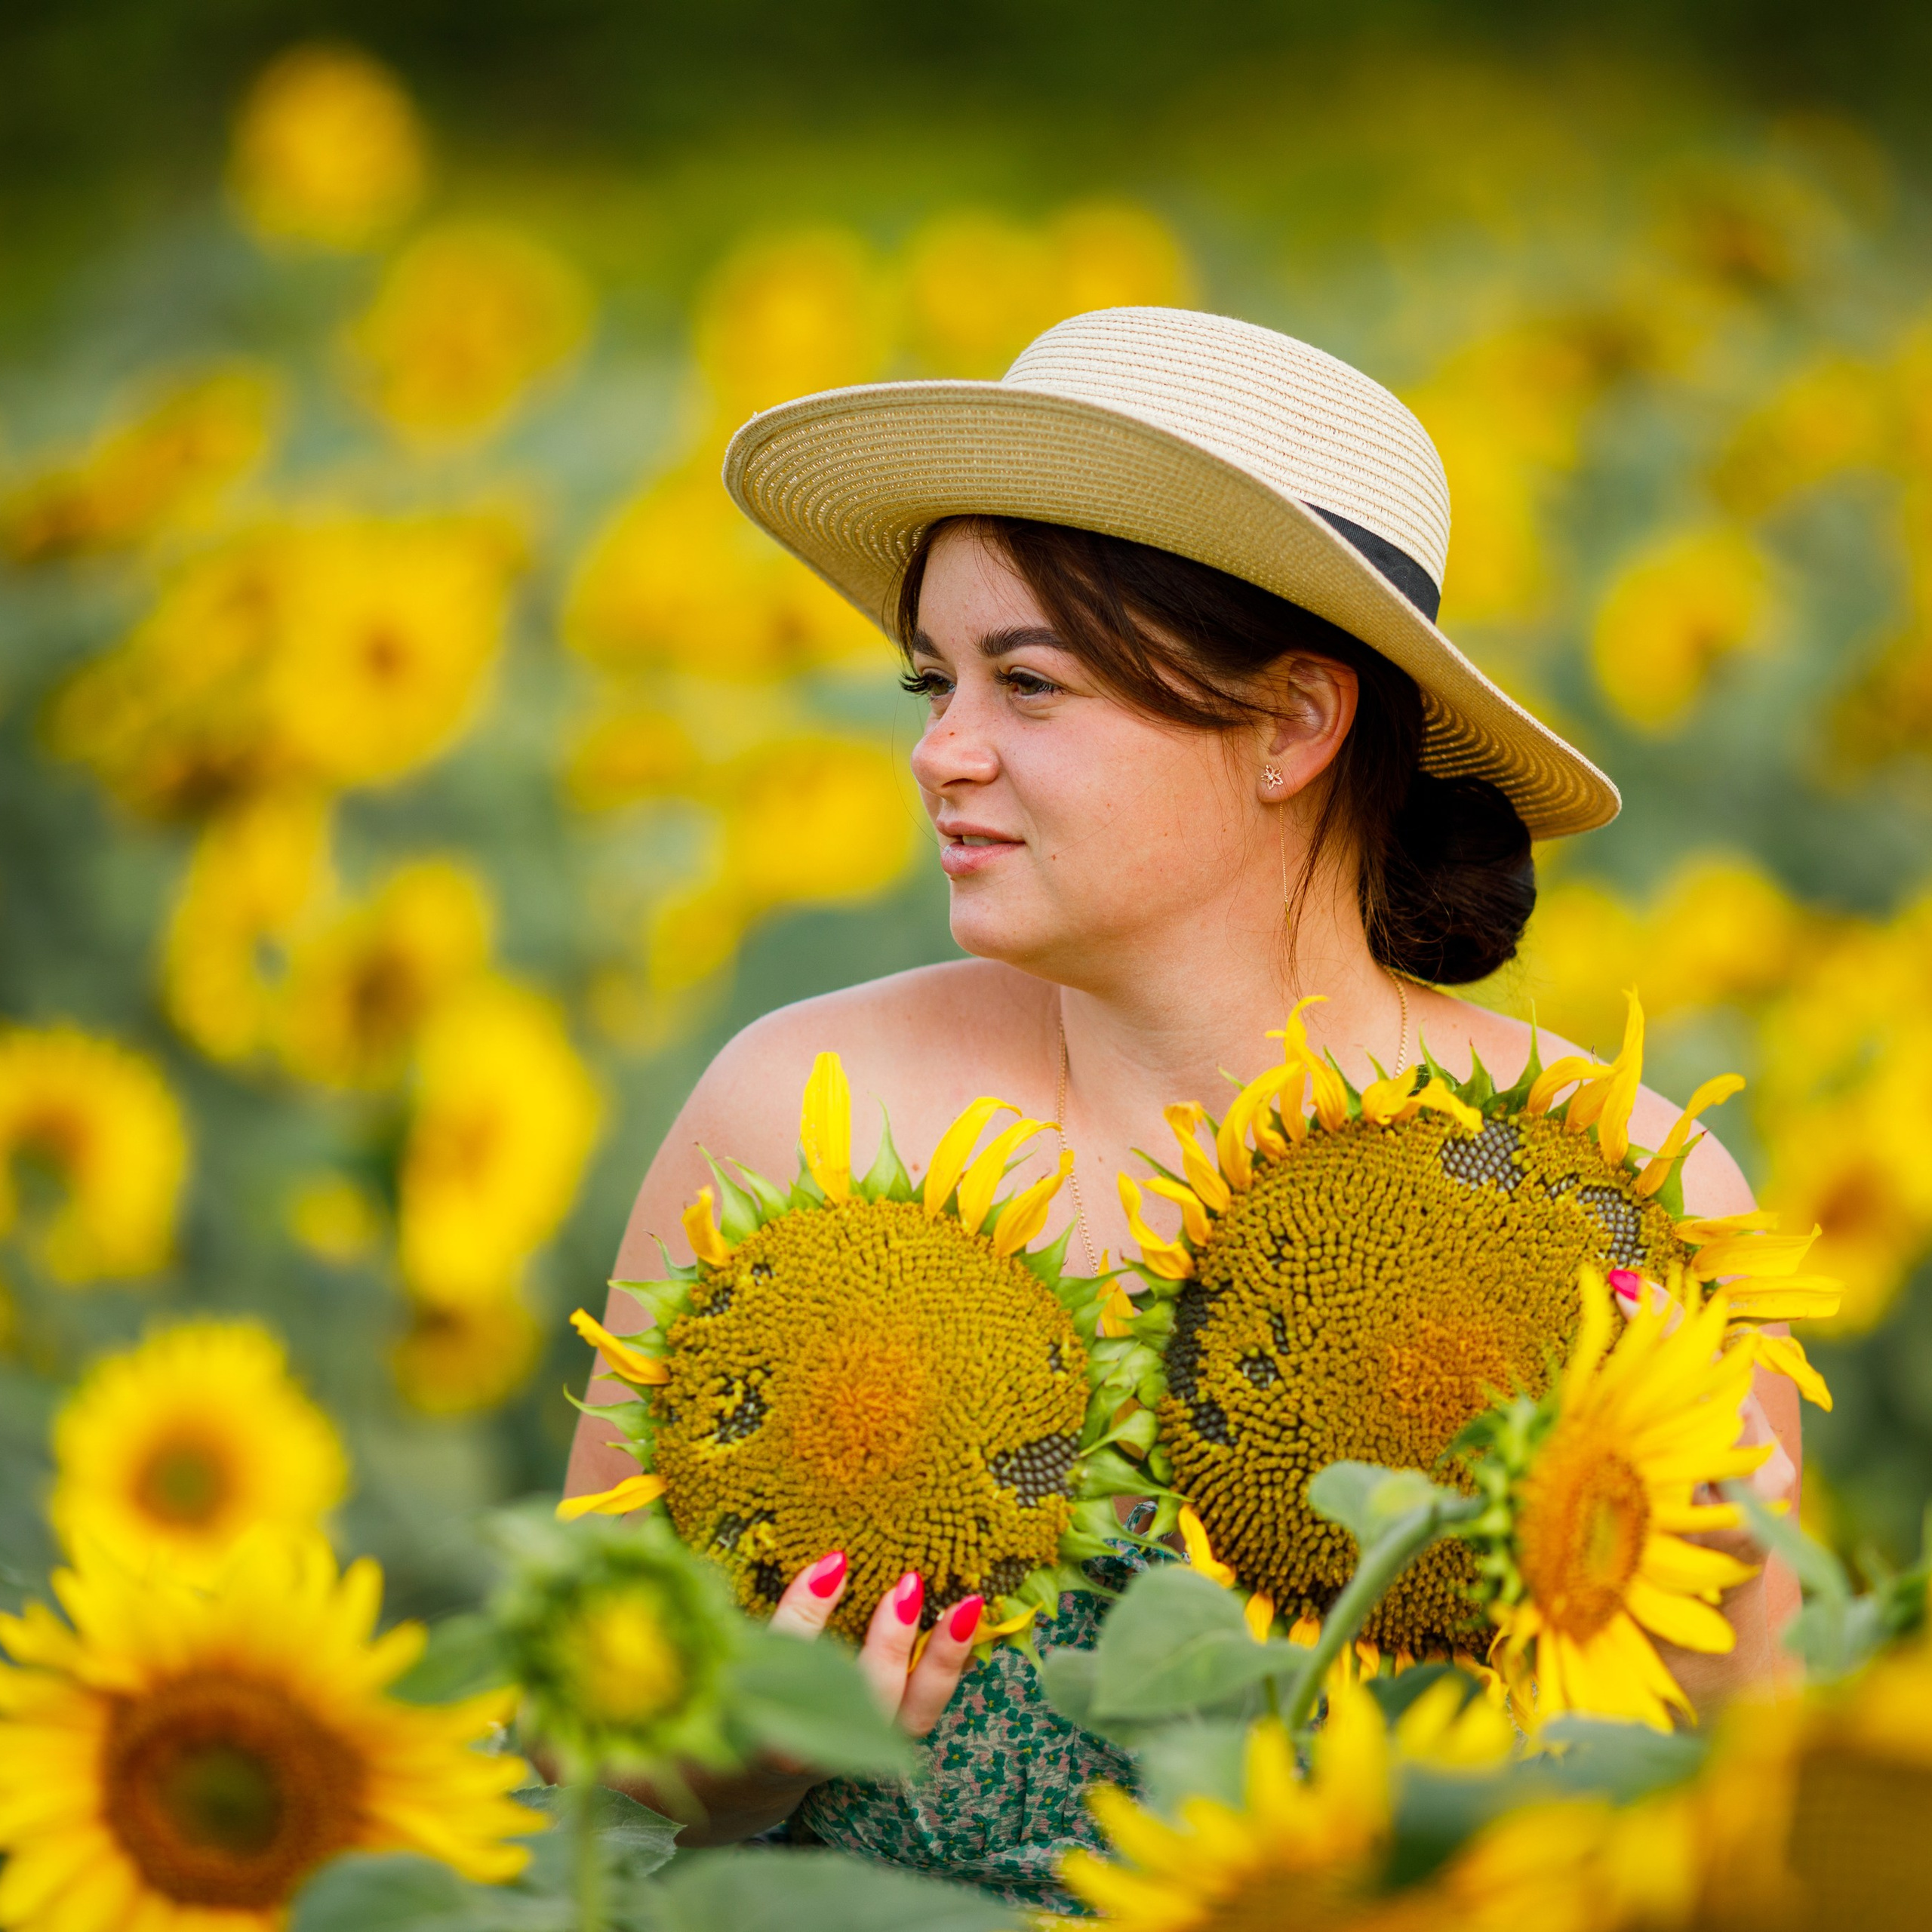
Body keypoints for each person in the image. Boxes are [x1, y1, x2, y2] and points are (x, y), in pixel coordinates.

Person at [563, 306, 1799, 1907]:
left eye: (1027, 683)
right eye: (932, 680)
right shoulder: (801, 1110)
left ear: (1291, 721)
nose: (942, 749)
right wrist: (725, 1759)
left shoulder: (1600, 1188)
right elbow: (567, 1760)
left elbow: (1747, 1828)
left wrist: (1672, 1588)